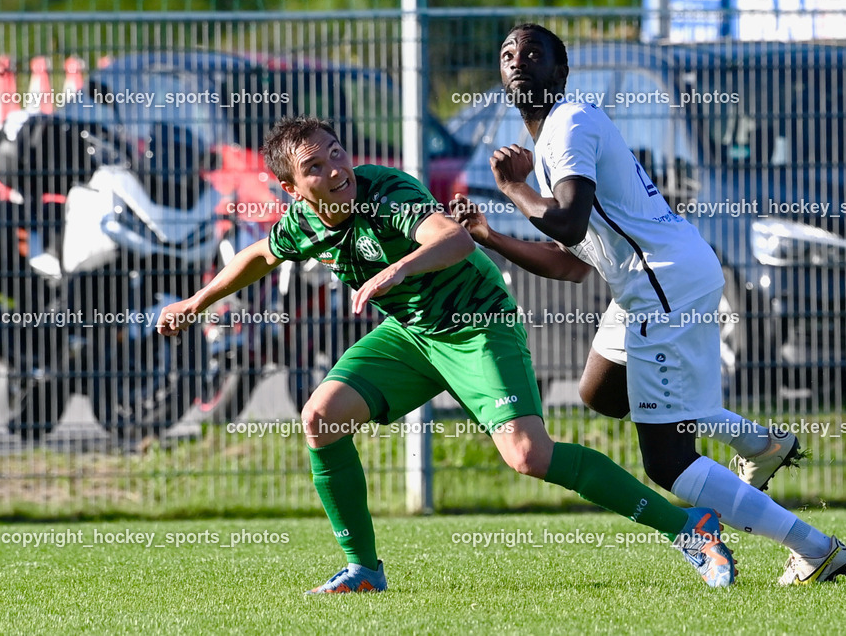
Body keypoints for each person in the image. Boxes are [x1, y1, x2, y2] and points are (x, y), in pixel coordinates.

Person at [156, 115, 737, 592]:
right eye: (315, 167)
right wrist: (195, 302)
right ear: (292, 188)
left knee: (529, 456)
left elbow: (453, 238)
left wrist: (396, 271)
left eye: (336, 153)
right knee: (320, 418)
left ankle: (689, 526)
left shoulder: (384, 192)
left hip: (477, 325)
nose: (335, 169)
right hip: (413, 334)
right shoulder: (304, 223)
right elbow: (259, 255)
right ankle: (364, 569)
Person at [451, 23, 846, 585]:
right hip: (655, 283)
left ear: (560, 72)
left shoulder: (568, 124)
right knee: (602, 392)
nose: (518, 60)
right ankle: (761, 443)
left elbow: (567, 220)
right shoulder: (552, 141)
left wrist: (514, 189)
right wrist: (491, 236)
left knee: (668, 462)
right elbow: (570, 263)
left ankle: (815, 548)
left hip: (662, 287)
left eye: (534, 53)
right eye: (507, 53)